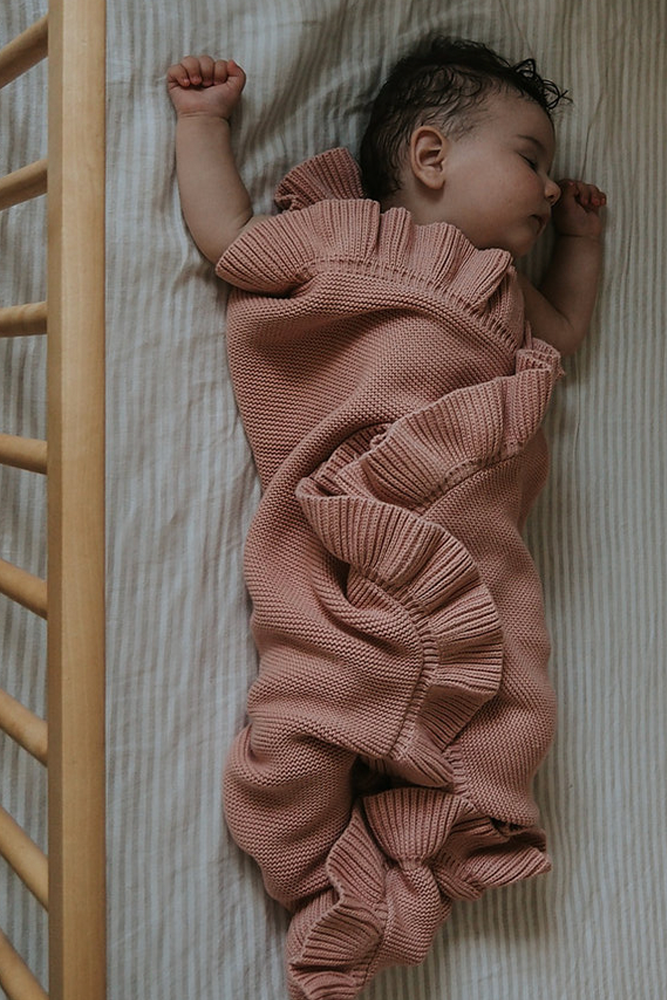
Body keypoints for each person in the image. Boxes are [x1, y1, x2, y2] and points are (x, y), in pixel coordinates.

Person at [167, 38, 606, 1000]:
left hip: (477, 549)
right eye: (531, 158)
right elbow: (233, 241)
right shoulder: (345, 238)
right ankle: (318, 878)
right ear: (430, 155)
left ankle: (421, 856)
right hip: (348, 542)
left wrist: (578, 246)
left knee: (511, 709)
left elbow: (564, 331)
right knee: (312, 707)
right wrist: (203, 128)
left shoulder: (505, 291)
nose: (547, 185)